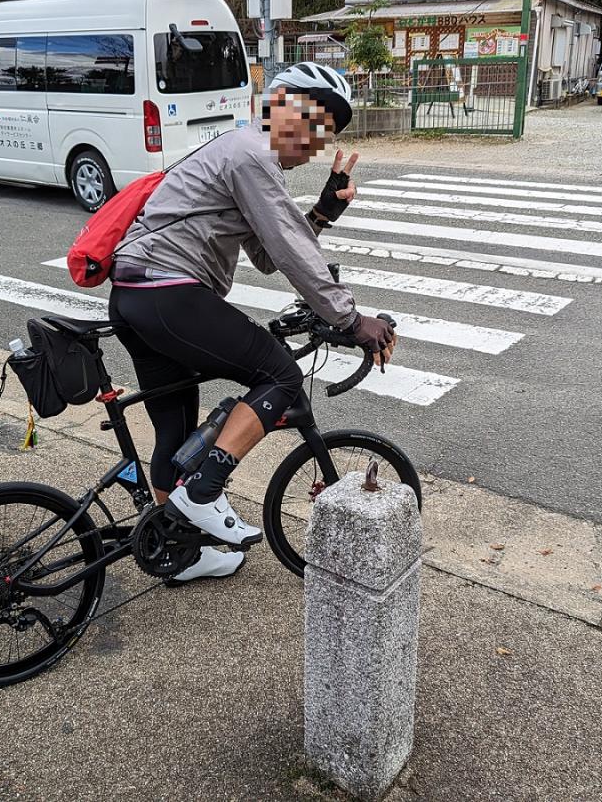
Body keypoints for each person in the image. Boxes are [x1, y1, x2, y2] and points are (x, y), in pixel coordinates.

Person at [108, 62, 397, 581]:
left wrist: (324, 211)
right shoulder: (251, 152)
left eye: (323, 134)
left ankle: (175, 552)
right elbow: (290, 253)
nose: (311, 143)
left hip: (133, 296)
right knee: (281, 375)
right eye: (311, 123)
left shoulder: (236, 152)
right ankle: (203, 495)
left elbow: (266, 253)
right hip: (169, 293)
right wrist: (353, 321)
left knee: (173, 433)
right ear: (279, 101)